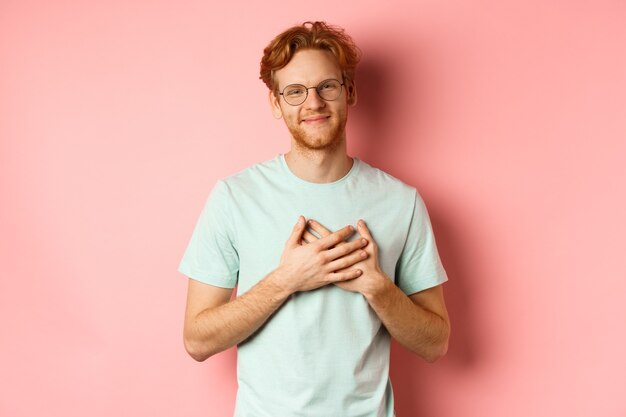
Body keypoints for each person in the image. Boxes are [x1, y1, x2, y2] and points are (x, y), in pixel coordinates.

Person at [179, 21, 450, 417]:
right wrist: (286, 280)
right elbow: (197, 341)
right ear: (276, 103)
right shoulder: (235, 197)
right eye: (295, 91)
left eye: (327, 86)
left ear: (349, 91)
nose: (314, 103)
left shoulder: (401, 202)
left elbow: (435, 343)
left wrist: (378, 288)